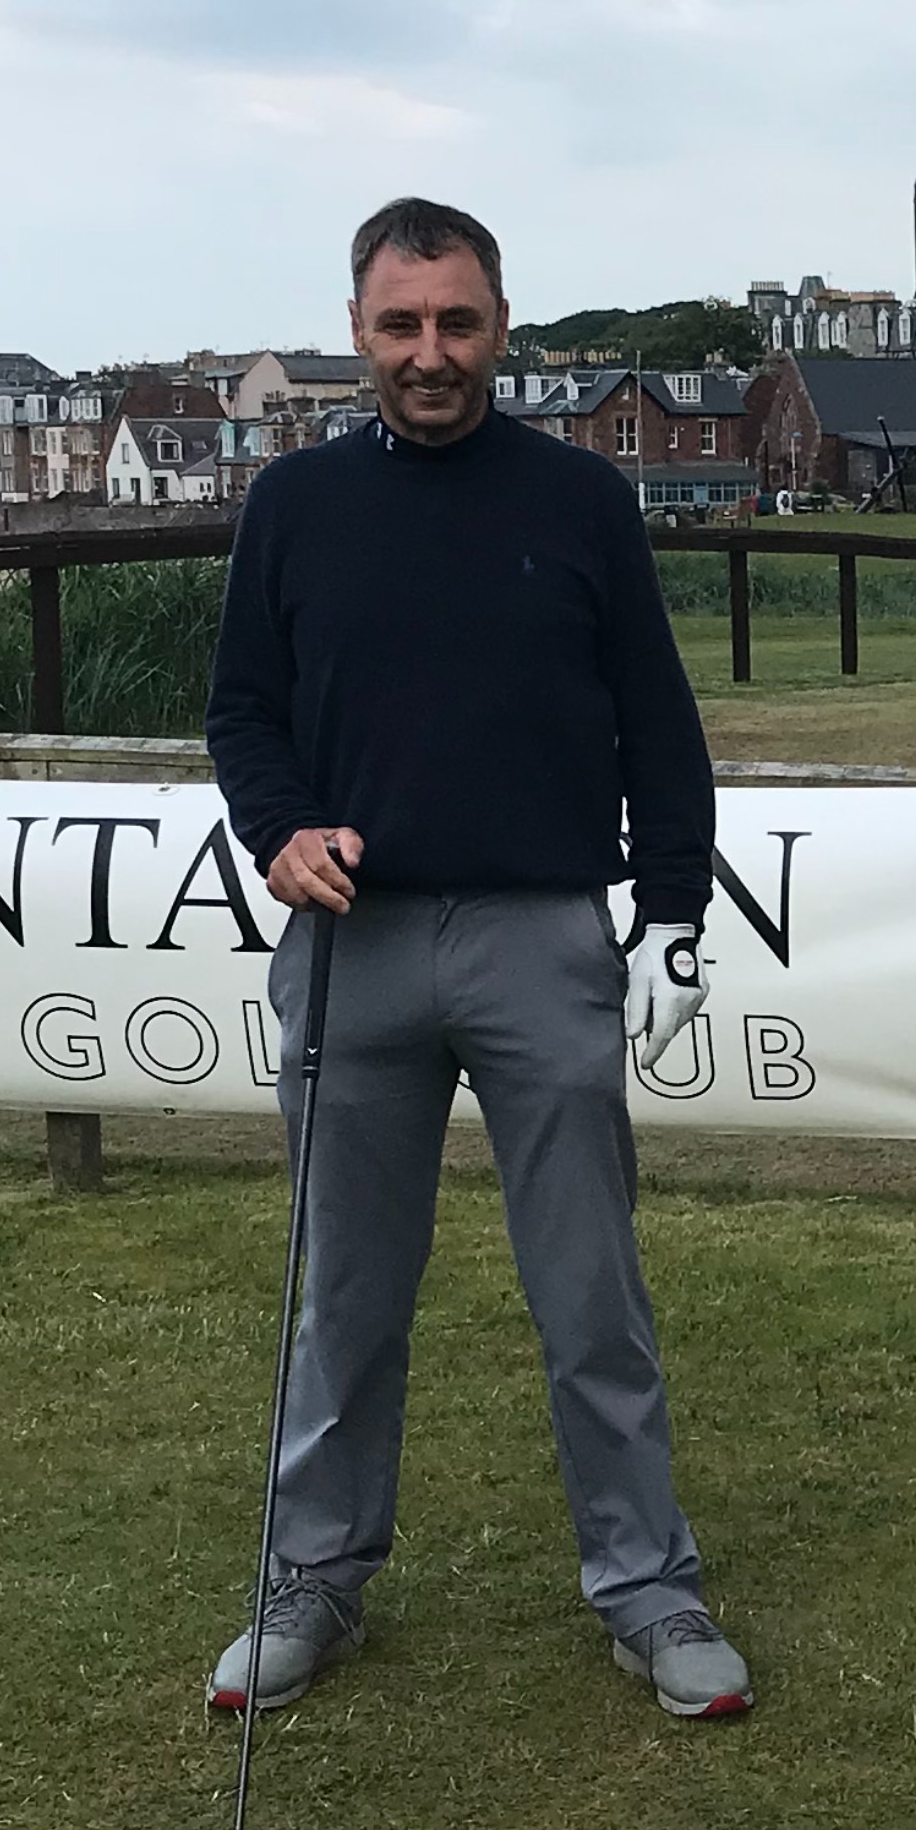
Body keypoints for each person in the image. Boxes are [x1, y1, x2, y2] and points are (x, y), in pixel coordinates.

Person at [201, 194, 750, 1721]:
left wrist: (680, 902)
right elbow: (244, 712)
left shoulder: (577, 501)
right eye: (399, 325)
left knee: (592, 1298)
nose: (429, 353)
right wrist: (279, 828)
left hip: (539, 939)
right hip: (345, 948)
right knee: (346, 1298)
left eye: (457, 322)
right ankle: (314, 1581)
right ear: (358, 332)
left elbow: (657, 714)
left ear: (502, 326)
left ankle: (649, 1587)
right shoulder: (295, 507)